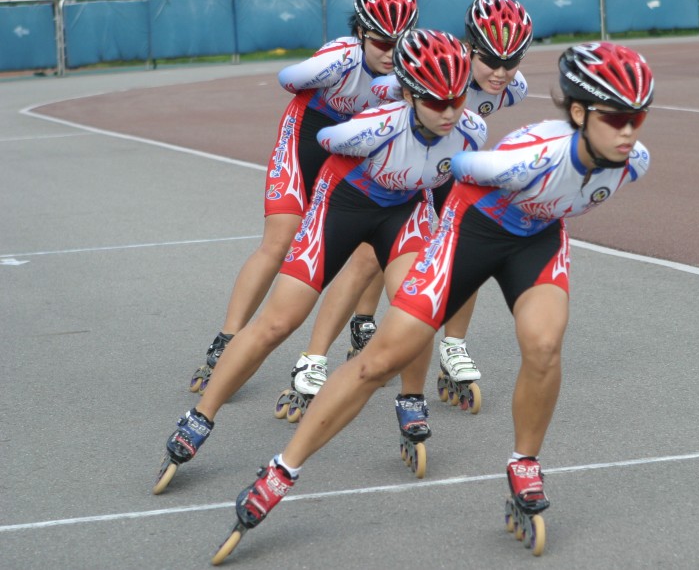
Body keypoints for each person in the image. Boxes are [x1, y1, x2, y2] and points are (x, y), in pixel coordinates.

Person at [208, 41, 654, 563]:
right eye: (618, 116)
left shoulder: (633, 163)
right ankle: (281, 471)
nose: (629, 131)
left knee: (544, 345)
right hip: (474, 230)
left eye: (638, 117)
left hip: (536, 241)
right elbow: (458, 167)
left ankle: (523, 462)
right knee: (379, 363)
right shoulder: (530, 157)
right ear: (579, 113)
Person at [154, 29, 486, 495]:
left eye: (456, 99)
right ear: (410, 92)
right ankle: (200, 416)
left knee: (418, 309)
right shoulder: (374, 127)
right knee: (278, 322)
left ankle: (411, 399)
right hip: (342, 205)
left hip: (403, 213)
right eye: (435, 101)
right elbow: (325, 138)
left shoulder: (472, 131)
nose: (449, 112)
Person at [186, 0, 418, 400]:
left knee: (376, 234)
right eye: (382, 41)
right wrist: (318, 71)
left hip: (355, 148)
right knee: (281, 240)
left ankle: (362, 323)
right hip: (308, 137)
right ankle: (227, 339)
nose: (391, 52)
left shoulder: (408, 71)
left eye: (400, 42)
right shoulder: (342, 57)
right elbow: (289, 79)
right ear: (362, 31)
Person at [367, 0, 535, 414]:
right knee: (376, 251)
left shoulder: (512, 89)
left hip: (446, 163)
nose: (500, 72)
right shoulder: (437, 65)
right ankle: (361, 324)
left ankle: (453, 346)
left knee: (465, 246)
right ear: (469, 47)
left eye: (511, 61)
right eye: (490, 61)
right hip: (402, 159)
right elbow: (379, 93)